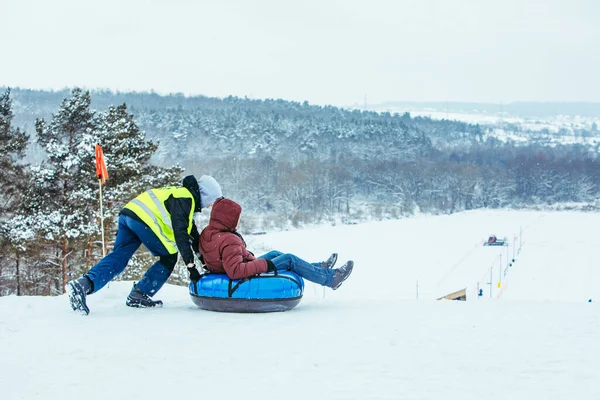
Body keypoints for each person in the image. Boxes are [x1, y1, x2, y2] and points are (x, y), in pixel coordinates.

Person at [67, 175, 222, 315]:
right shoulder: (185, 198)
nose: (209, 207)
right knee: (168, 258)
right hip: (144, 220)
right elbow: (180, 233)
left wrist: (203, 260)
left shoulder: (180, 195)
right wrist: (191, 266)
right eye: (211, 202)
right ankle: (139, 294)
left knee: (119, 258)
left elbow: (192, 236)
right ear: (205, 194)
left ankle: (83, 285)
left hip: (128, 215)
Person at [198, 197, 354, 290]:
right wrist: (264, 265)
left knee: (275, 254)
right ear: (227, 218)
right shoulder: (228, 239)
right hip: (244, 273)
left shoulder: (209, 231)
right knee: (289, 259)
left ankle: (317, 268)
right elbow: (235, 271)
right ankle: (331, 279)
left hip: (240, 264)